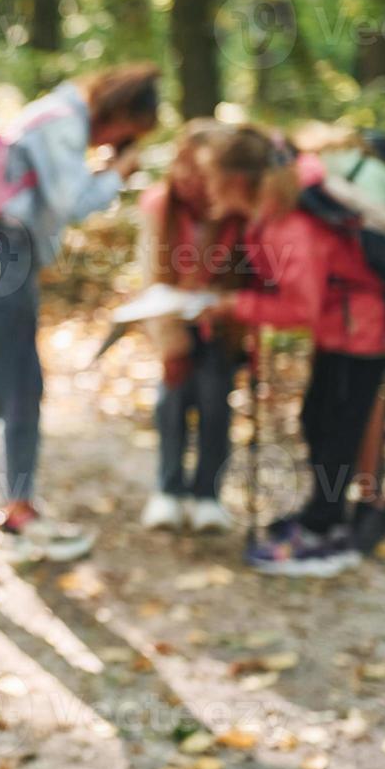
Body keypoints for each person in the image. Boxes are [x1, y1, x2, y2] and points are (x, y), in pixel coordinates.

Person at [0, 64, 160, 581]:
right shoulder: (62, 121)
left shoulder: (61, 118)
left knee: (25, 386)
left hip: (18, 254)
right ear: (121, 112)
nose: (124, 141)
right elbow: (69, 203)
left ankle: (19, 512)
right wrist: (115, 175)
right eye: (130, 133)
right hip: (5, 251)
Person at [200, 127, 385, 577]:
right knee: (319, 420)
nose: (208, 187)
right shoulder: (276, 212)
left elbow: (301, 304)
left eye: (213, 176)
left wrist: (235, 305)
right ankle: (322, 517)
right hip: (345, 330)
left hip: (365, 333)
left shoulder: (289, 224)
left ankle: (328, 536)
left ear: (237, 179)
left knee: (337, 429)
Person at [136, 120, 246, 532]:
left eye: (200, 173)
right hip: (172, 325)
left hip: (221, 327)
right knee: (171, 404)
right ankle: (168, 490)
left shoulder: (234, 213)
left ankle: (208, 496)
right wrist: (170, 345)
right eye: (184, 168)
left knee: (216, 404)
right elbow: (151, 279)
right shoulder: (157, 206)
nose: (190, 181)